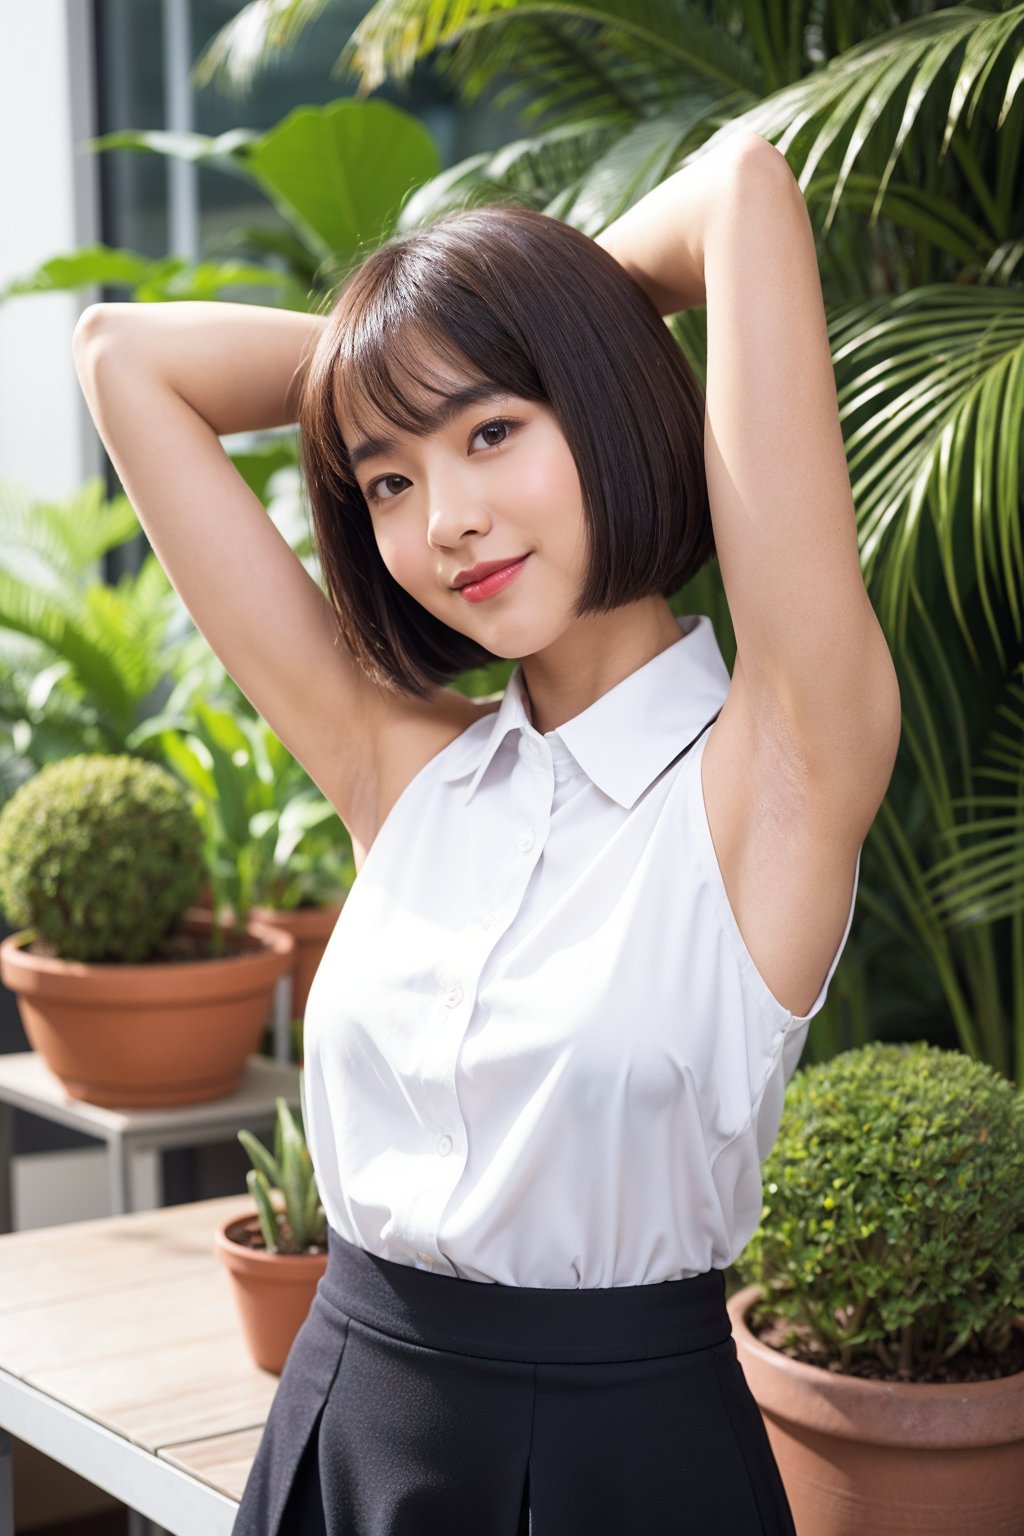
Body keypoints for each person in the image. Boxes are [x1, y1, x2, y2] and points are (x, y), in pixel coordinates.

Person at [73, 126, 900, 1535]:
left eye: (494, 429)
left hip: (628, 1476)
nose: (445, 518)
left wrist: (553, 313)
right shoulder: (402, 773)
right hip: (341, 1433)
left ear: (599, 398)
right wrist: (412, 357)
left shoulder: (777, 774)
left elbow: (743, 188)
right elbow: (121, 359)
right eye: (388, 479)